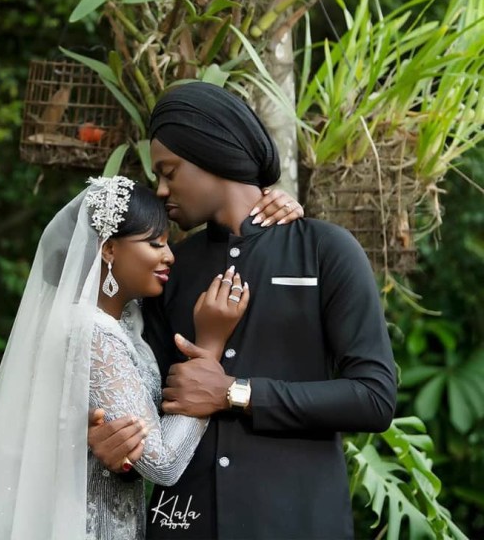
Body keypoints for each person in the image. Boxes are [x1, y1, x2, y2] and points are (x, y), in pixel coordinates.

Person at [89, 81, 398, 540]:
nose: (162, 190)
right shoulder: (170, 268)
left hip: (298, 524)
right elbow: (150, 407)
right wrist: (119, 450)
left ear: (213, 155)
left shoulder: (324, 250)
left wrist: (237, 393)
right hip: (184, 524)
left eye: (170, 172)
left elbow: (374, 398)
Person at [0, 175, 256, 540]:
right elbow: (162, 463)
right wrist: (210, 349)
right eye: (155, 243)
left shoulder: (124, 321)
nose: (169, 255)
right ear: (108, 249)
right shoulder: (92, 333)